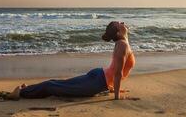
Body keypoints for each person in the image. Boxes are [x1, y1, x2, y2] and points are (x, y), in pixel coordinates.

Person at [7, 21, 135, 100]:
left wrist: (111, 87)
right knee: (53, 86)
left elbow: (117, 71)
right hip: (97, 81)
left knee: (57, 85)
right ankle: (21, 92)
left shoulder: (123, 42)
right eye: (121, 23)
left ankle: (29, 89)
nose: (123, 23)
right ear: (118, 33)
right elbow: (117, 73)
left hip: (99, 79)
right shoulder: (122, 45)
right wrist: (117, 97)